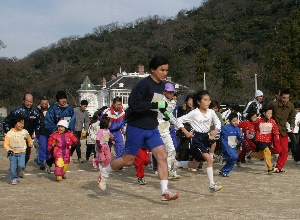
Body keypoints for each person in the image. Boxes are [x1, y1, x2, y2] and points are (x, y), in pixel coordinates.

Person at [97, 56, 178, 201]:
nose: (165, 73)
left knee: (162, 156)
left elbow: (157, 104)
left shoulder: (162, 85)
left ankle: (164, 191)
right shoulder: (143, 85)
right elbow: (134, 105)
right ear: (153, 70)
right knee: (127, 160)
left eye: (166, 70)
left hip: (152, 127)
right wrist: (153, 106)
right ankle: (104, 172)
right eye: (162, 70)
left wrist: (164, 110)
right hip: (136, 126)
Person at [176, 90, 223, 193]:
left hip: (205, 138)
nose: (208, 102)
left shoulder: (211, 112)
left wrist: (216, 129)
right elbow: (178, 121)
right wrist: (186, 132)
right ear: (198, 102)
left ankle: (174, 164)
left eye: (209, 100)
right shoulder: (194, 113)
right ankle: (212, 185)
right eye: (205, 100)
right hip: (196, 139)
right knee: (210, 160)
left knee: (194, 165)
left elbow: (218, 122)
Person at [3, 94, 41, 169]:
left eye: (30, 101)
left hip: (27, 136)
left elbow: (39, 124)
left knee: (26, 155)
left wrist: (36, 133)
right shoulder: (16, 111)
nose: (29, 103)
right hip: (16, 137)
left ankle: (20, 167)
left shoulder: (36, 113)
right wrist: (8, 133)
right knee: (16, 153)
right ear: (23, 101)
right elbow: (6, 122)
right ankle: (15, 168)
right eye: (27, 101)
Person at [44, 90, 75, 170]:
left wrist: (69, 131)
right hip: (56, 135)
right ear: (58, 100)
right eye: (61, 98)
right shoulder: (53, 109)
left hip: (66, 135)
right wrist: (57, 131)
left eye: (65, 98)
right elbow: (48, 121)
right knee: (56, 152)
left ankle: (61, 168)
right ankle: (52, 165)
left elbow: (72, 120)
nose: (63, 100)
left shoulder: (69, 109)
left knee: (65, 152)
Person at [248, 105, 280, 174]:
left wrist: (277, 134)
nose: (270, 115)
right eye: (268, 113)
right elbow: (252, 125)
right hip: (260, 140)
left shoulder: (272, 121)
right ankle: (270, 168)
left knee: (262, 155)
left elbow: (275, 129)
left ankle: (251, 155)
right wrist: (252, 130)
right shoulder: (259, 120)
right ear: (264, 113)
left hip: (268, 140)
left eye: (271, 113)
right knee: (268, 152)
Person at [157, 82, 180, 179]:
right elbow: (164, 112)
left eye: (172, 92)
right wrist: (177, 124)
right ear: (164, 91)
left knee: (171, 150)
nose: (171, 94)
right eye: (169, 92)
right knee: (168, 150)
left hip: (166, 127)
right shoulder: (159, 98)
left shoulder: (172, 101)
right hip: (159, 127)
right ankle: (166, 171)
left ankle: (170, 170)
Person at [270, 88, 295, 172]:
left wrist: (292, 125)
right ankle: (261, 153)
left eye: (287, 98)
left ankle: (278, 167)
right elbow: (267, 114)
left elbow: (292, 117)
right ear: (280, 96)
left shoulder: (291, 106)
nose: (285, 100)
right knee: (277, 149)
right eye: (284, 98)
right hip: (274, 131)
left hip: (284, 131)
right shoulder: (273, 104)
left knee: (284, 151)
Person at [4, 116, 33, 184]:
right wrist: (8, 149)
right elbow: (6, 143)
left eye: (23, 123)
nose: (21, 125)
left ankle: (18, 170)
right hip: (12, 153)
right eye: (20, 123)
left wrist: (30, 143)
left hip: (22, 152)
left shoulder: (24, 132)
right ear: (15, 123)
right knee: (12, 167)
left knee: (21, 165)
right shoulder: (10, 133)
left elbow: (29, 138)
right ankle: (13, 178)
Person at [219, 113, 244, 177]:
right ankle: (224, 158)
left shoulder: (238, 129)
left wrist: (241, 136)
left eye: (236, 120)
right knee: (235, 157)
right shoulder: (225, 128)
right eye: (234, 121)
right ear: (230, 121)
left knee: (233, 159)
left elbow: (240, 138)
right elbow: (218, 132)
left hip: (233, 147)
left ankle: (224, 171)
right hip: (226, 146)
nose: (236, 122)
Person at [176, 94, 194, 162]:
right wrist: (187, 121)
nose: (191, 103)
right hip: (182, 129)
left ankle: (188, 160)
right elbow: (178, 118)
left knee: (192, 145)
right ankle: (181, 160)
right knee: (184, 145)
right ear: (186, 101)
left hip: (191, 129)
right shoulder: (181, 109)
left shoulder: (194, 110)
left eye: (192, 101)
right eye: (190, 100)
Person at [35, 96, 50, 170]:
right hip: (41, 132)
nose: (44, 105)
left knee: (49, 148)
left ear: (48, 103)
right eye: (42, 103)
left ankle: (47, 161)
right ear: (40, 103)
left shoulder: (51, 110)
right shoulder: (36, 110)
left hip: (50, 132)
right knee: (42, 147)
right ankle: (42, 162)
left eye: (45, 103)